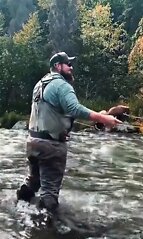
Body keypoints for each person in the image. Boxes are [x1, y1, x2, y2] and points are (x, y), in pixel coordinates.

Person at [16, 51, 122, 214]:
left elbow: (56, 112)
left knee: (33, 181)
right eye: (68, 64)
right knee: (49, 193)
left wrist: (97, 115)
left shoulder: (40, 83)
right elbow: (74, 108)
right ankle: (46, 231)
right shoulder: (62, 85)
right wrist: (103, 118)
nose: (71, 68)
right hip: (51, 147)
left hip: (33, 143)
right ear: (58, 66)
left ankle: (18, 208)